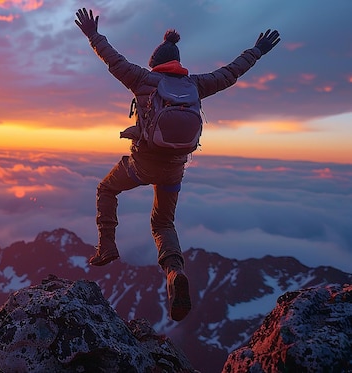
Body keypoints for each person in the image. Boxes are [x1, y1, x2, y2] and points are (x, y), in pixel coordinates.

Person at [75, 8, 280, 321]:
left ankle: (107, 247)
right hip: (174, 170)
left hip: (141, 165)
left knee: (106, 189)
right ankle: (173, 273)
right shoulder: (196, 85)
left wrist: (92, 35)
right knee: (163, 224)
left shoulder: (143, 78)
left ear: (155, 62)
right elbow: (230, 72)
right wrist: (257, 50)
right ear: (178, 64)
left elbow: (112, 59)